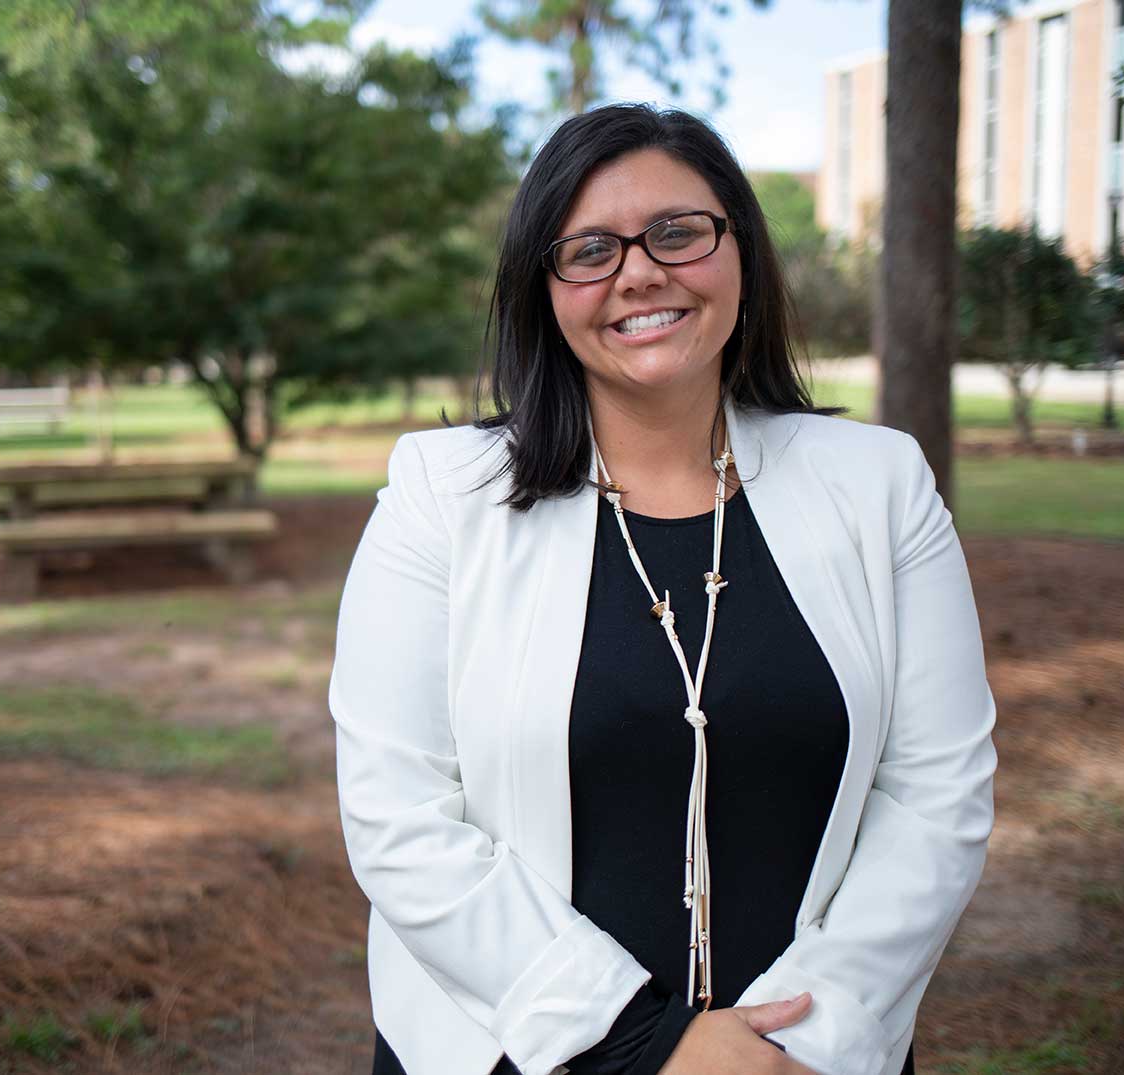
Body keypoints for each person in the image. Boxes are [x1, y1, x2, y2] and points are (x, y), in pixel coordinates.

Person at [328, 103, 998, 1075]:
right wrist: (646, 1045)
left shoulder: (878, 484)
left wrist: (801, 1038)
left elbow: (937, 792)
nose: (638, 272)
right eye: (588, 249)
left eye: (677, 233)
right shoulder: (440, 496)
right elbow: (397, 819)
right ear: (542, 288)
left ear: (740, 252)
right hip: (511, 1051)